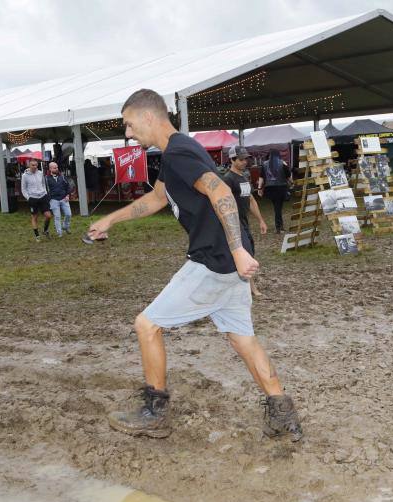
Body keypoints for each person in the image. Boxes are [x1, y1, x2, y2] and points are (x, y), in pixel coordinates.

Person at [87, 89, 302, 442]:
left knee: (147, 326)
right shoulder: (176, 154)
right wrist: (111, 220)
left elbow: (220, 191)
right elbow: (157, 198)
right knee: (243, 340)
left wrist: (236, 250)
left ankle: (153, 412)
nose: (127, 132)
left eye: (128, 124)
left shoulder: (180, 152)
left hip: (213, 262)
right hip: (228, 266)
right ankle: (282, 413)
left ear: (148, 117)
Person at [221, 145, 267, 297]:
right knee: (246, 254)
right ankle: (251, 289)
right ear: (232, 160)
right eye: (240, 160)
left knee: (247, 254)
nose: (244, 162)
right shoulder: (228, 179)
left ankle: (246, 287)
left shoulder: (244, 177)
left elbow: (251, 200)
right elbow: (222, 202)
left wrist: (261, 220)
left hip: (244, 223)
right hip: (235, 224)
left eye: (245, 159)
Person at [257, 149, 291, 233]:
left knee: (277, 207)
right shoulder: (282, 163)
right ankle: (279, 227)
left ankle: (279, 226)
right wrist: (292, 183)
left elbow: (261, 177)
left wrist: (259, 188)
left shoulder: (264, 164)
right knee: (278, 207)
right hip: (281, 188)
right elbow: (288, 175)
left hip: (270, 189)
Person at [21, 158, 52, 241]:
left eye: (36, 165)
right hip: (33, 198)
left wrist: (45, 193)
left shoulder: (40, 173)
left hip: (42, 196)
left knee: (48, 216)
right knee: (35, 217)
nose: (34, 167)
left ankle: (45, 230)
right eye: (32, 165)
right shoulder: (25, 175)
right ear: (29, 165)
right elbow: (23, 189)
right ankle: (37, 235)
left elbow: (43, 184)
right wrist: (28, 198)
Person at [46, 161, 74, 236]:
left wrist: (68, 195)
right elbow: (45, 190)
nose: (57, 169)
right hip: (53, 200)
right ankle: (59, 233)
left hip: (64, 198)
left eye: (57, 167)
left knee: (68, 214)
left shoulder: (62, 176)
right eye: (55, 168)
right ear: (50, 169)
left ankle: (65, 226)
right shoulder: (46, 179)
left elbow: (68, 186)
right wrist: (49, 199)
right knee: (57, 217)